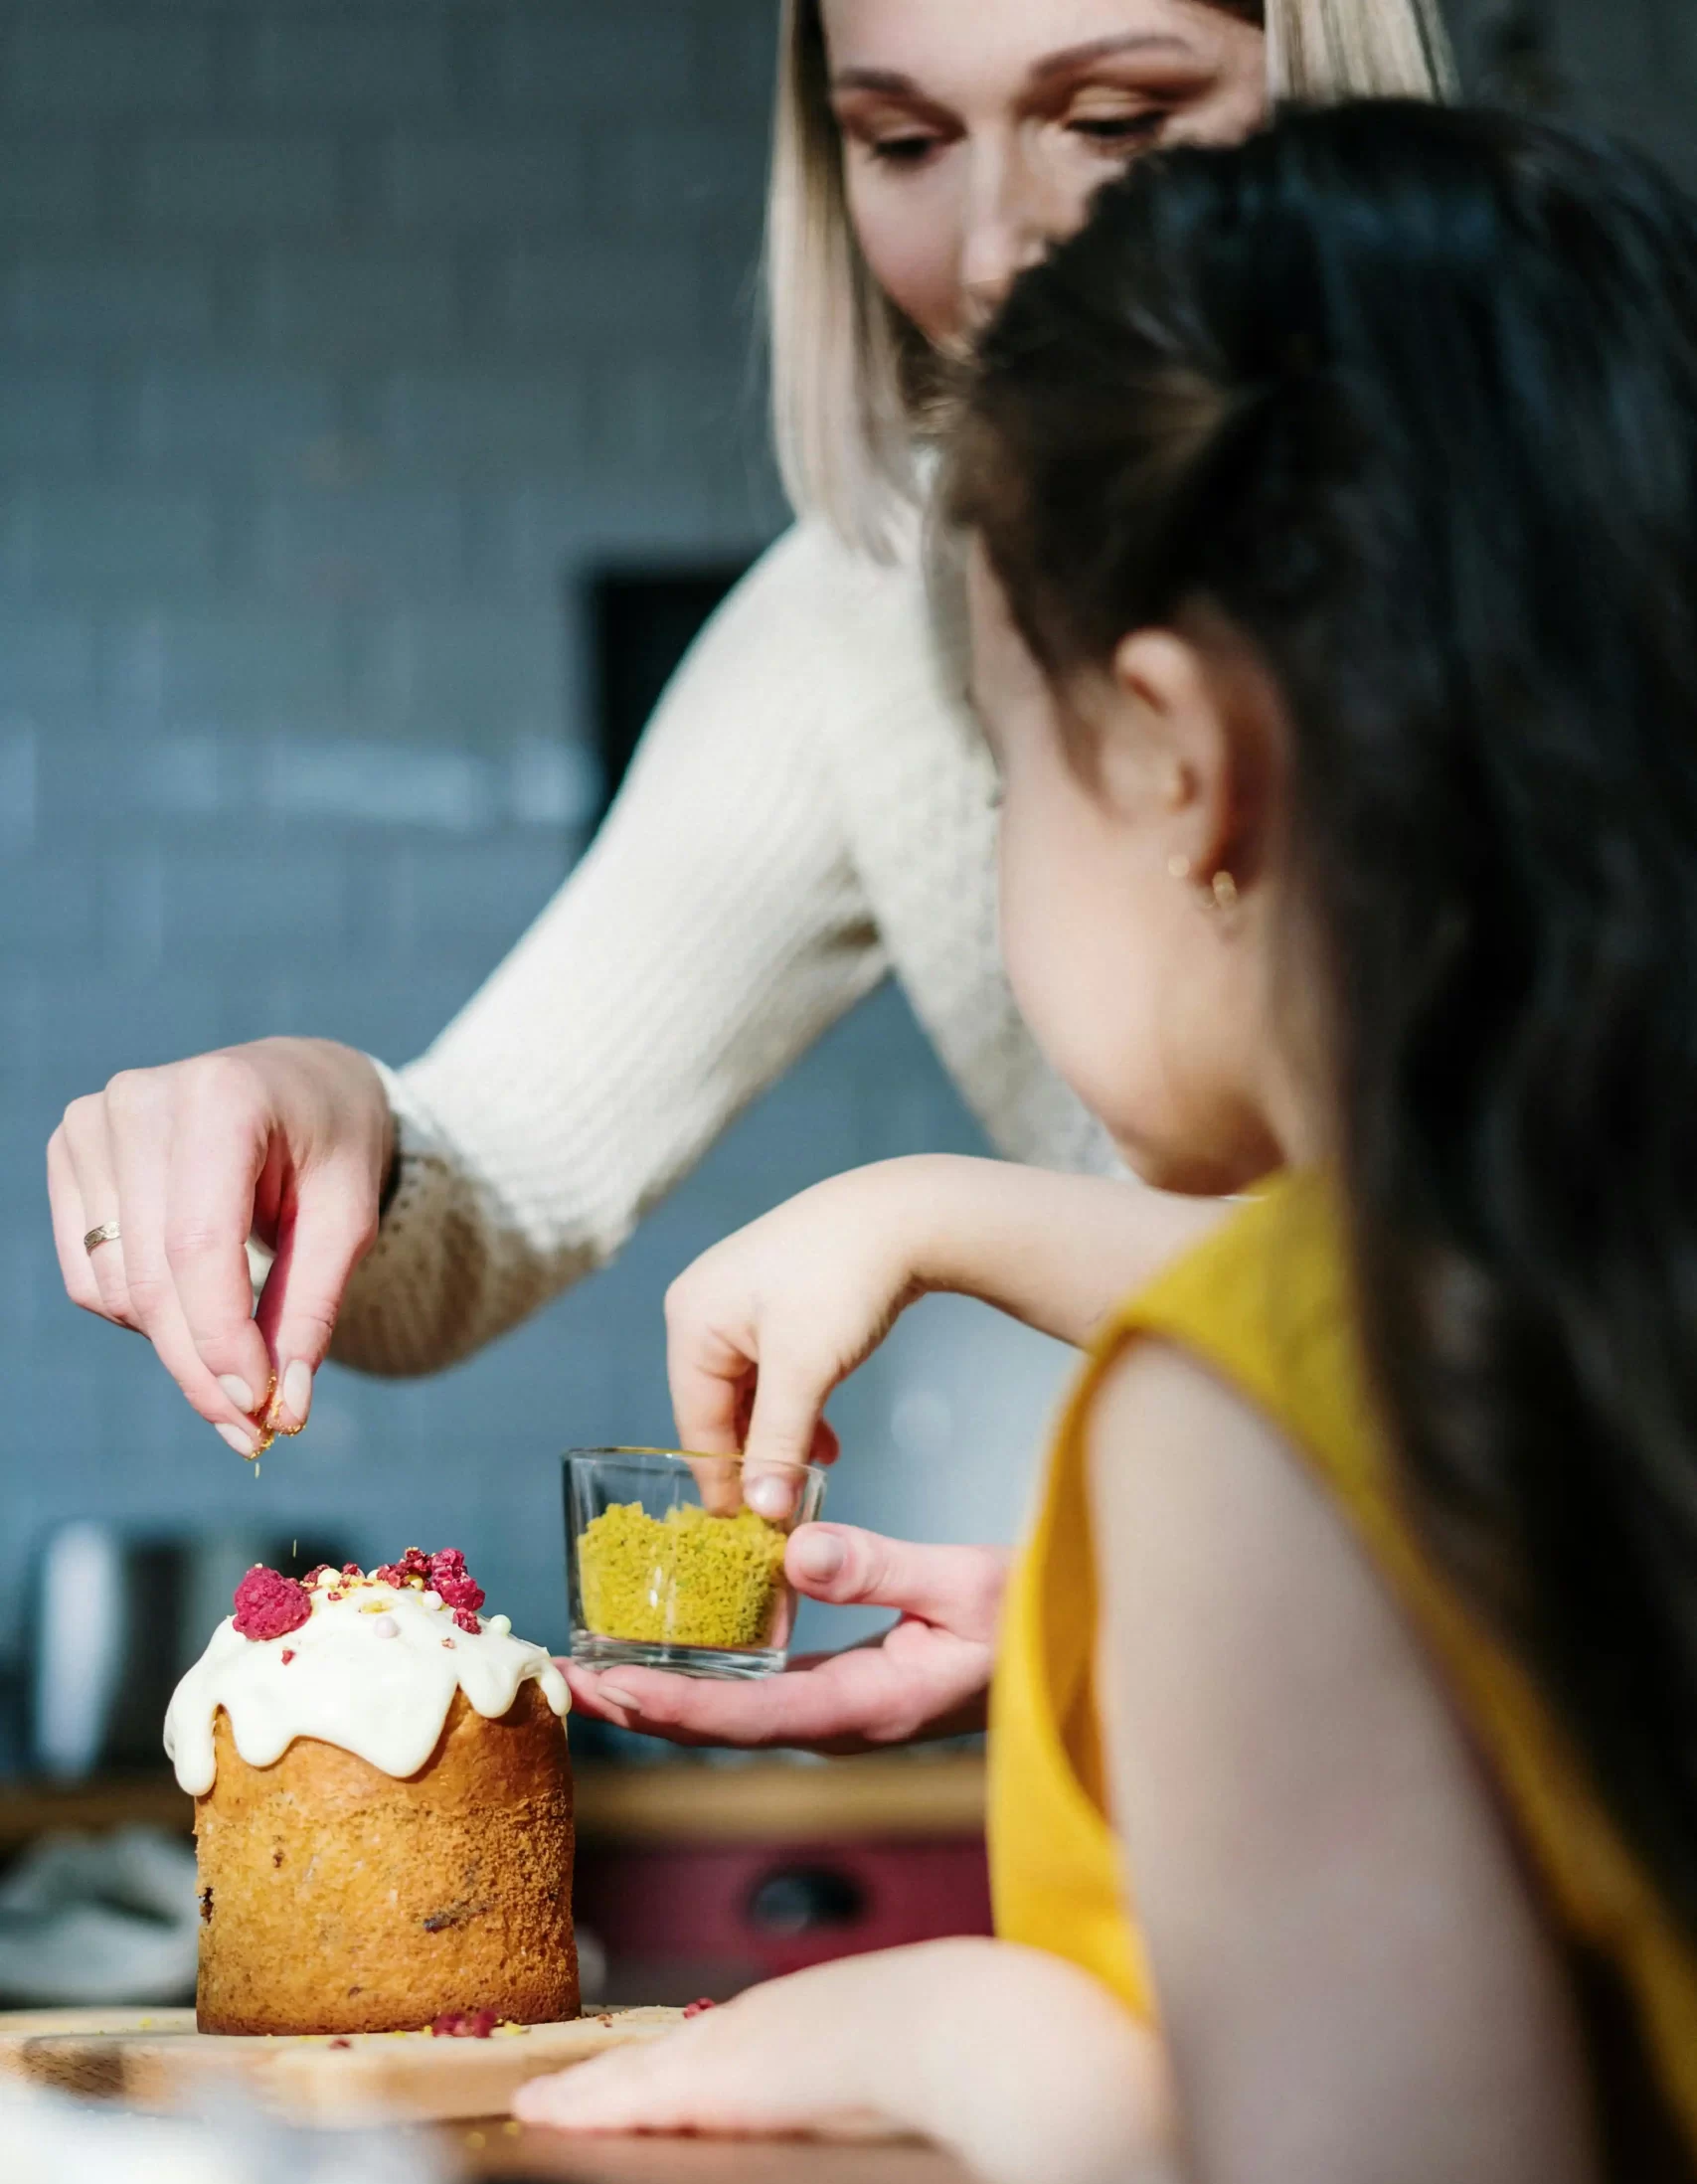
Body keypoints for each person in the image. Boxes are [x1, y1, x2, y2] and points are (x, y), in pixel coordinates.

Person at [520, 104, 1697, 2184]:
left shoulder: (1233, 1421)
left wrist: (983, 2035)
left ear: (1174, 758)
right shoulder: (1575, 1270)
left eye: (1008, 756)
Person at [47, 0, 1449, 1742]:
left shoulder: (1569, 577)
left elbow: (1525, 1315)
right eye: (904, 144)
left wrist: (950, 1217)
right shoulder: (873, 607)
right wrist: (317, 1109)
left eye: (1115, 121)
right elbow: (496, 1184)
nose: (1003, 248)